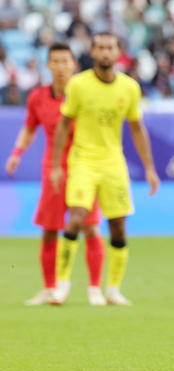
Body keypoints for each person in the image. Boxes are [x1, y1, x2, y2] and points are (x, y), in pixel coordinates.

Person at [50, 32, 160, 306]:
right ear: (93, 51)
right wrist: (55, 165)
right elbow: (63, 125)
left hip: (113, 163)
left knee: (119, 228)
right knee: (76, 218)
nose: (105, 52)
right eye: (100, 47)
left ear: (118, 51)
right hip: (83, 160)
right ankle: (61, 287)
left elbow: (137, 128)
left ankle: (112, 290)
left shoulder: (129, 88)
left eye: (110, 47)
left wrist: (149, 168)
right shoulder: (78, 85)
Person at [5, 43, 105, 306]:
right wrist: (16, 153)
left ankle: (95, 289)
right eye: (55, 62)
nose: (61, 67)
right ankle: (51, 289)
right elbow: (29, 128)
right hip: (53, 169)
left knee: (90, 226)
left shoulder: (85, 92)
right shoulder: (37, 96)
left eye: (65, 61)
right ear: (48, 65)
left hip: (84, 165)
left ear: (74, 64)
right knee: (50, 229)